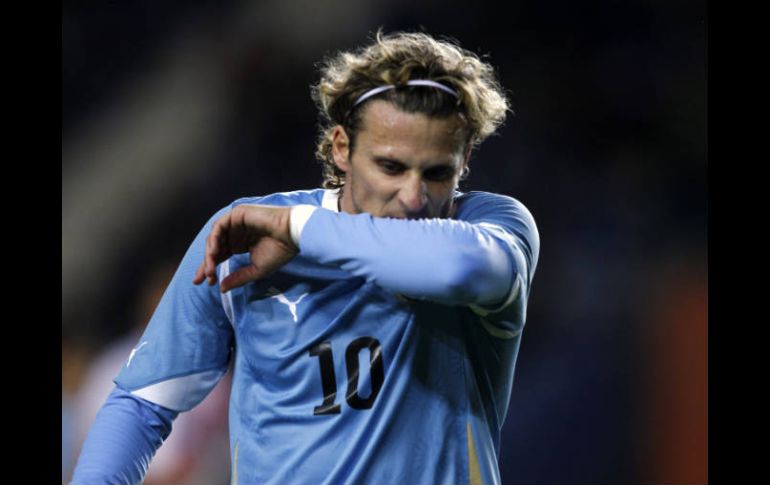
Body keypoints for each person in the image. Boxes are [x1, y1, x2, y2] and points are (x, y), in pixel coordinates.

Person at [70, 29, 540, 485]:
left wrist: (298, 229)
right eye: (391, 167)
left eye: (437, 173)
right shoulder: (245, 237)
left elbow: (458, 270)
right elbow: (143, 401)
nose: (414, 197)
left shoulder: (493, 227)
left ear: (465, 159)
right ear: (342, 148)